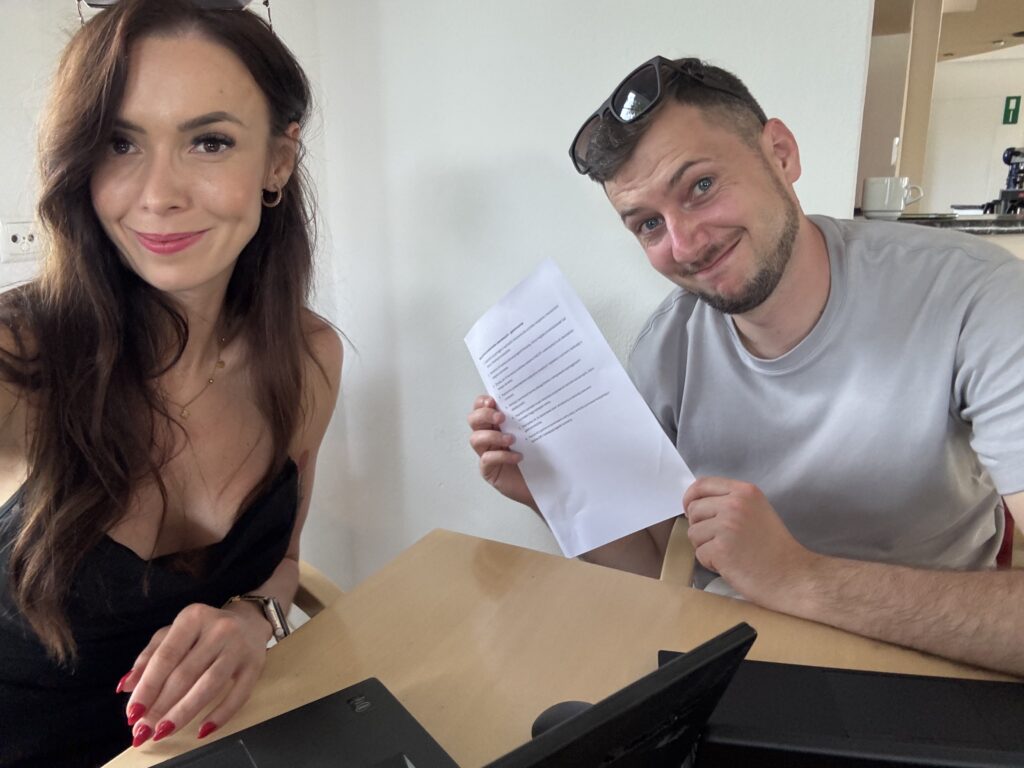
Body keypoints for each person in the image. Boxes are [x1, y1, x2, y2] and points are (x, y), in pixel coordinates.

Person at [468, 55, 1024, 676]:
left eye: (701, 186)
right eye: (648, 224)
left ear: (780, 154)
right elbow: (663, 571)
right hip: (733, 664)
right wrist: (552, 491)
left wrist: (798, 578)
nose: (685, 244)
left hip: (923, 670)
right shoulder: (665, 350)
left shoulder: (978, 298)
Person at [0, 1, 342, 765]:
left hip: (211, 745)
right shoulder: (19, 359)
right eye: (120, 143)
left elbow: (283, 563)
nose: (158, 195)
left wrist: (252, 618)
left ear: (277, 162)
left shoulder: (310, 358)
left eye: (209, 142)